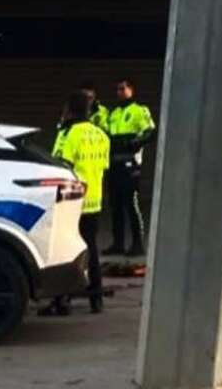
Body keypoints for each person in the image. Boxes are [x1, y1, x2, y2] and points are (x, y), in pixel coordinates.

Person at [39, 91, 110, 316]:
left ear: (69, 110)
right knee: (92, 248)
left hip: (72, 202)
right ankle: (96, 298)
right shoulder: (101, 134)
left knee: (65, 250)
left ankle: (62, 300)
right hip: (94, 200)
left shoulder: (69, 134)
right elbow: (103, 167)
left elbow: (60, 166)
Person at [103, 79, 156, 257]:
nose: (119, 92)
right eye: (117, 89)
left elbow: (150, 132)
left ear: (131, 90)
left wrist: (134, 143)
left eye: (123, 88)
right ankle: (117, 243)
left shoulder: (139, 111)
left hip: (130, 165)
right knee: (115, 206)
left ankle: (138, 245)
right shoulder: (114, 113)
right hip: (114, 165)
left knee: (131, 205)